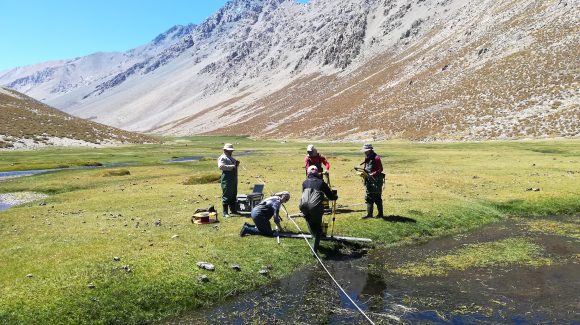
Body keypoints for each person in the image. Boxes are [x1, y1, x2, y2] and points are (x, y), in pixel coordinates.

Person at [299, 166, 338, 254]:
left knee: (309, 221)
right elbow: (331, 197)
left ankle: (314, 238)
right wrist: (335, 196)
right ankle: (314, 251)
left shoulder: (304, 182)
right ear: (318, 174)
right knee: (317, 228)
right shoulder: (321, 183)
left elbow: (304, 194)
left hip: (303, 205)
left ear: (308, 173)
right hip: (315, 207)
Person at [360, 144, 385, 219]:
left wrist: (372, 174)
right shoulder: (367, 157)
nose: (365, 152)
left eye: (366, 151)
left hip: (376, 180)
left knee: (377, 197)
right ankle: (369, 215)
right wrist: (363, 174)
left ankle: (380, 214)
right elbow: (367, 168)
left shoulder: (376, 158)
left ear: (370, 150)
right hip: (368, 179)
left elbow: (381, 169)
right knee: (369, 197)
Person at [218, 143, 240, 218]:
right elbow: (221, 166)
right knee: (227, 194)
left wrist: (236, 163)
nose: (231, 152)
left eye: (231, 150)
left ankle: (233, 210)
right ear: (225, 150)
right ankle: (225, 212)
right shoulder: (223, 157)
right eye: (229, 150)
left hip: (233, 178)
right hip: (227, 178)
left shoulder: (230, 157)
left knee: (233, 194)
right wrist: (233, 166)